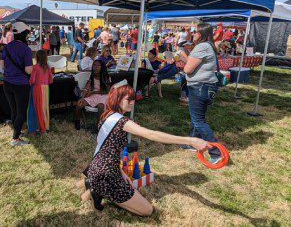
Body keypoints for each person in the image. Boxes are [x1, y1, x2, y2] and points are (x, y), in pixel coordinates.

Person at [77, 82, 210, 215]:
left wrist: (122, 173)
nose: (132, 102)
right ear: (117, 98)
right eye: (128, 99)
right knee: (147, 210)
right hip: (106, 174)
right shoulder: (122, 122)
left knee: (129, 191)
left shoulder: (107, 115)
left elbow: (109, 151)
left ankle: (95, 185)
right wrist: (190, 140)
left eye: (133, 99)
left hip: (96, 167)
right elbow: (151, 134)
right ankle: (98, 190)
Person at [177, 23, 222, 163]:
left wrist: (181, 54)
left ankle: (216, 152)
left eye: (195, 32)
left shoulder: (202, 47)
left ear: (201, 34)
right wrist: (184, 56)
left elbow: (188, 69)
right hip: (205, 86)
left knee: (198, 120)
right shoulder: (208, 46)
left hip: (200, 86)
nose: (192, 34)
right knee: (196, 117)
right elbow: (193, 64)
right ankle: (193, 143)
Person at [1, 22, 33, 146]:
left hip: (7, 83)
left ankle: (17, 131)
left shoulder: (7, 46)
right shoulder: (26, 49)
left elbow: (3, 65)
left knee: (14, 110)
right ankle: (15, 139)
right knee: (21, 112)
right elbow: (28, 70)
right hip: (20, 84)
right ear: (24, 34)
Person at [74, 60, 111, 130]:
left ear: (102, 67)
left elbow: (107, 91)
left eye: (98, 66)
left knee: (101, 106)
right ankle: (77, 121)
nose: (95, 67)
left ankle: (98, 126)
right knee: (79, 105)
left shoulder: (106, 77)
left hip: (103, 95)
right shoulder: (92, 76)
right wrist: (82, 98)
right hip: (93, 96)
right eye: (94, 65)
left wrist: (93, 92)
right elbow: (86, 88)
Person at [28, 50, 53, 133]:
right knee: (44, 108)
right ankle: (46, 125)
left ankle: (41, 127)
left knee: (38, 108)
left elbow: (32, 80)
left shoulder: (35, 67)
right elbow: (50, 81)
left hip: (37, 89)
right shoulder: (48, 67)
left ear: (36, 57)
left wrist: (30, 82)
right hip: (46, 89)